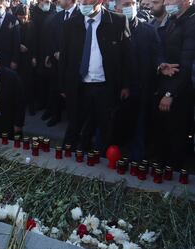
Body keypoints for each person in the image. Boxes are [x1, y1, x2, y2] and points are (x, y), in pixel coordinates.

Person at [59, 0, 133, 153]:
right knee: (75, 126)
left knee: (106, 128)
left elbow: (127, 57)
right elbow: (64, 58)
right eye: (81, 0)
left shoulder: (118, 21)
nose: (84, 3)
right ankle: (70, 159)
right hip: (80, 85)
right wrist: (63, 85)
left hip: (106, 86)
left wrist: (126, 85)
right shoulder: (70, 24)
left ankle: (103, 163)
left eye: (88, 0)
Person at [114, 0, 165, 160]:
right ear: (116, 8)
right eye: (125, 4)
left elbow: (157, 54)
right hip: (118, 88)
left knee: (139, 126)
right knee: (114, 124)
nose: (129, 7)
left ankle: (137, 160)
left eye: (131, 3)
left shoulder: (148, 30)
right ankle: (108, 156)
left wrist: (160, 65)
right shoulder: (110, 30)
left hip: (142, 88)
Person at [151, 0, 195, 170]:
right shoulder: (173, 20)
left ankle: (173, 180)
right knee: (162, 137)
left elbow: (187, 64)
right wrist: (161, 65)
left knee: (176, 138)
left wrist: (170, 94)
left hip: (179, 93)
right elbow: (161, 49)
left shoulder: (191, 23)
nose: (167, 2)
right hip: (164, 85)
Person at [43, 0, 79, 127]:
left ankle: (73, 120)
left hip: (72, 62)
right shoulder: (57, 17)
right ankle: (55, 115)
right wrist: (53, 52)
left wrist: (64, 55)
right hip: (57, 61)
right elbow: (51, 37)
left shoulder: (80, 15)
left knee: (71, 91)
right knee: (55, 88)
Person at [15, 5, 35, 115]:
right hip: (17, 58)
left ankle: (31, 106)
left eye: (25, 16)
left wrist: (34, 57)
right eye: (20, 16)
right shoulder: (14, 24)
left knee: (29, 83)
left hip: (28, 58)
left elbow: (36, 41)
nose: (23, 19)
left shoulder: (32, 25)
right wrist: (18, 46)